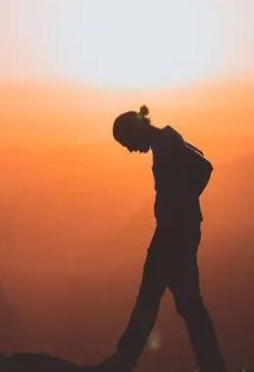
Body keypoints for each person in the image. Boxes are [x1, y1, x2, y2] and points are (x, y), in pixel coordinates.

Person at [100, 105, 225, 372]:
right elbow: (202, 166)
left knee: (164, 300)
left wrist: (184, 203)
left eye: (128, 143)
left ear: (137, 131)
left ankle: (124, 361)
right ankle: (209, 364)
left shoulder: (167, 144)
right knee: (179, 303)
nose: (131, 150)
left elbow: (205, 167)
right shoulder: (166, 141)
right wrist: (187, 202)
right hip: (176, 231)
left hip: (174, 235)